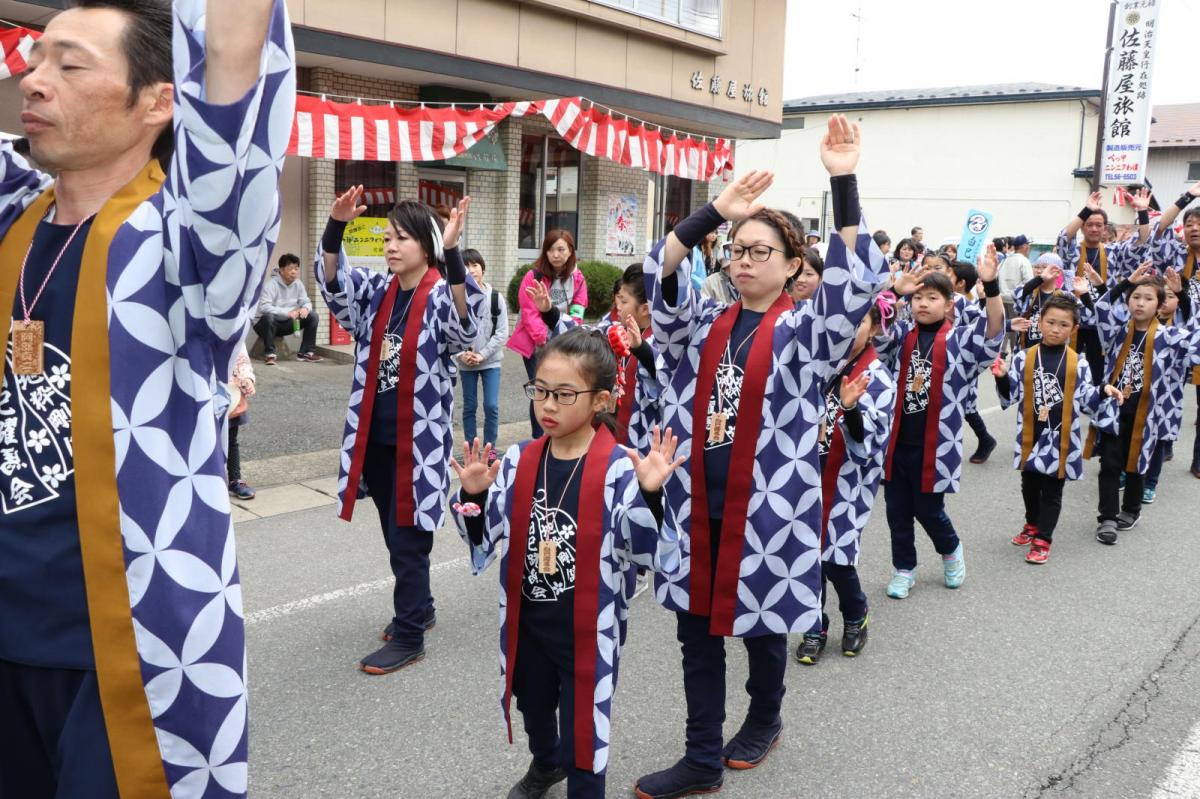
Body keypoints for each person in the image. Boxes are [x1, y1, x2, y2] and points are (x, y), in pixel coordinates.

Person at [0, 0, 293, 795]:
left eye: (71, 64)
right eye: (36, 59)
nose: (35, 80)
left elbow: (236, 121)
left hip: (130, 647)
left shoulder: (186, 243)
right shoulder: (13, 217)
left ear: (159, 101)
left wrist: (229, 39)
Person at [633, 115, 890, 799]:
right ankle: (700, 754)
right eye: (736, 249)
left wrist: (843, 181)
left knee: (762, 626)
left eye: (760, 250)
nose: (743, 260)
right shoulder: (699, 324)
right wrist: (716, 211)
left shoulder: (806, 332)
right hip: (693, 506)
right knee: (695, 633)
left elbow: (855, 283)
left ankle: (766, 717)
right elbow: (660, 268)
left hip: (768, 512)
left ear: (792, 264)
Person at [451, 329, 683, 799]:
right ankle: (545, 762)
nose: (548, 405)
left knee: (585, 730)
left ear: (601, 400)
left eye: (564, 394)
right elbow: (487, 535)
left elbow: (647, 552)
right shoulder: (519, 459)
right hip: (528, 619)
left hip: (587, 628)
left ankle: (581, 784)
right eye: (540, 391)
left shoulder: (619, 467)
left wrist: (650, 494)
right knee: (532, 704)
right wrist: (475, 495)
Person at [317, 188, 483, 673]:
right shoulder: (376, 291)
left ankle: (410, 634)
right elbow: (334, 285)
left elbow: (467, 326)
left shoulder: (439, 294)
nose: (390, 246)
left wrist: (453, 251)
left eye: (402, 238)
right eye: (388, 237)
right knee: (396, 534)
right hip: (375, 439)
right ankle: (422, 607)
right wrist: (335, 227)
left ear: (426, 246)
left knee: (409, 540)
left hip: (419, 443)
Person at [875, 247, 1006, 600]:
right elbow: (874, 327)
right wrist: (894, 292)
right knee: (896, 512)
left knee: (929, 510)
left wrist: (992, 286)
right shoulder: (901, 335)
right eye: (917, 297)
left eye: (932, 297)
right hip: (896, 442)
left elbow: (994, 330)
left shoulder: (960, 340)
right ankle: (904, 569)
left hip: (937, 444)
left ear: (949, 304)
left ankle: (950, 550)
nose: (923, 304)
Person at [796, 297, 897, 664]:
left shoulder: (877, 376)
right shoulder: (814, 364)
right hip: (806, 475)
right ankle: (814, 624)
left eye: (858, 323)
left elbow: (871, 440)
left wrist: (851, 408)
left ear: (874, 328)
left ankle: (856, 614)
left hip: (846, 481)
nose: (846, 331)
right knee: (806, 554)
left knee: (836, 558)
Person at [993, 293, 1121, 564]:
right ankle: (1032, 523)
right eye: (1050, 322)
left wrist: (1103, 390)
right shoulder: (1024, 357)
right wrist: (1002, 377)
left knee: (1052, 489)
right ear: (1040, 322)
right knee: (1029, 484)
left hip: (1061, 436)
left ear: (1074, 328)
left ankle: (1043, 538)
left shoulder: (1078, 362)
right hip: (1031, 432)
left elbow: (1086, 399)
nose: (1055, 329)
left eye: (1064, 324)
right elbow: (1011, 394)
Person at [1089, 265, 1200, 544]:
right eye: (1136, 297)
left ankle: (1131, 509)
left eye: (1148, 298)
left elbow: (1196, 335)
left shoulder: (1169, 336)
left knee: (1137, 463)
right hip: (1113, 409)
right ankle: (1107, 518)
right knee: (1109, 464)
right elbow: (1101, 309)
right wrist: (1126, 282)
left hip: (1147, 413)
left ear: (1160, 306)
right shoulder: (1117, 331)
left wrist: (1182, 295)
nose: (1140, 303)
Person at [1055, 189, 1153, 384]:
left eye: (1098, 225)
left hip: (1103, 321)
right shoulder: (1073, 251)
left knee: (1099, 372)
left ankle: (1098, 399)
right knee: (1066, 370)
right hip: (1073, 319)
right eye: (1089, 224)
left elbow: (1142, 242)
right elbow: (1064, 237)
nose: (1093, 229)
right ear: (1082, 227)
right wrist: (1086, 210)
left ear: (1105, 228)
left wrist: (1142, 212)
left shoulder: (1114, 251)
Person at [509, 230, 588, 436]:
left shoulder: (578, 278)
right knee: (540, 389)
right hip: (537, 344)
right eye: (551, 250)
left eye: (561, 249)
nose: (555, 254)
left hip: (564, 342)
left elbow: (578, 309)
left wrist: (569, 335)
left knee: (560, 387)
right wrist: (544, 340)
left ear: (570, 251)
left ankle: (558, 432)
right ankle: (538, 437)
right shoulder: (533, 276)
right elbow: (529, 312)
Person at [1147, 180, 1200, 478]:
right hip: (1174, 335)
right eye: (1189, 224)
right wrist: (1186, 197)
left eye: (1199, 224)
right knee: (1167, 390)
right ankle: (1163, 442)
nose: (1194, 229)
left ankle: (1198, 460)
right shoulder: (1176, 254)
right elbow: (1159, 230)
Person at [1141, 269, 1193, 504]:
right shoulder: (1142, 321)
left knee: (1159, 437)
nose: (1164, 301)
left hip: (1167, 392)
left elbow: (1195, 323)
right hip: (1141, 388)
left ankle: (1150, 482)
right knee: (1134, 432)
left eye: (1170, 296)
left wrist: (1181, 294)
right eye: (1160, 295)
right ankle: (1128, 472)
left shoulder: (1181, 325)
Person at [457, 248, 507, 449]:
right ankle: (470, 448)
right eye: (466, 266)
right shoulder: (456, 298)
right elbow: (449, 332)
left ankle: (490, 449)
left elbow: (502, 332)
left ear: (483, 268)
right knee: (469, 407)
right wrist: (461, 354)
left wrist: (483, 355)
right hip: (466, 362)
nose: (471, 270)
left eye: (475, 265)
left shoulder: (495, 297)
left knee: (491, 406)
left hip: (491, 361)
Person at [254, 252, 322, 363]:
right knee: (269, 317)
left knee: (313, 316)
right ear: (281, 270)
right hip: (263, 325)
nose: (294, 272)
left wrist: (305, 308)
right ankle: (270, 354)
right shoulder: (271, 285)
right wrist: (288, 313)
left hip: (286, 324)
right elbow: (264, 307)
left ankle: (306, 353)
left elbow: (306, 301)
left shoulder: (298, 284)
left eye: (296, 268)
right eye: (290, 268)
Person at [228, 341, 257, 500]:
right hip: (202, 390)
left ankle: (235, 479)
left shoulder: (234, 330)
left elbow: (242, 358)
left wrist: (247, 379)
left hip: (231, 393)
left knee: (231, 441)